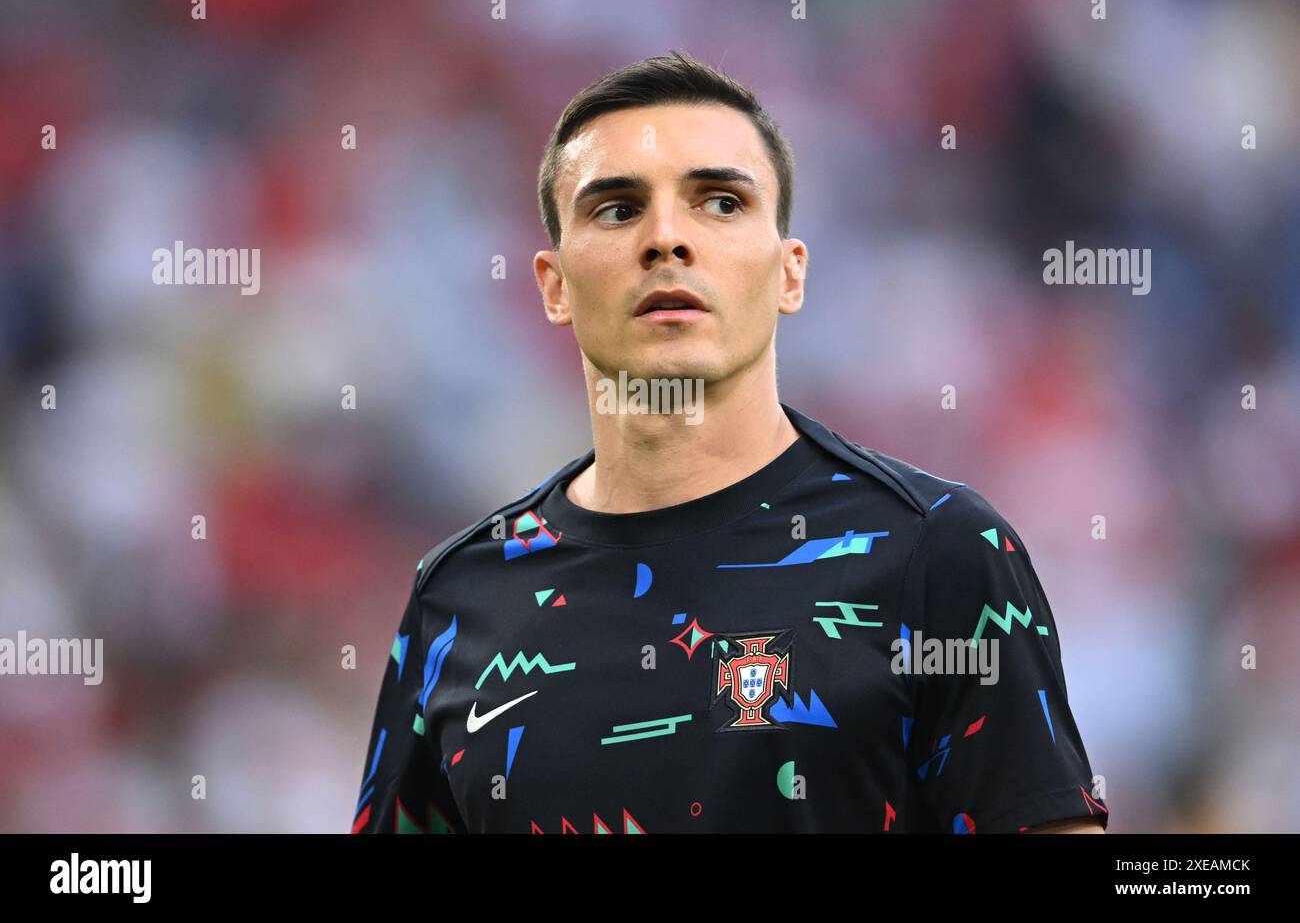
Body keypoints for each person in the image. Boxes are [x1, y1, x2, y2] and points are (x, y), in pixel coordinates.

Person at [352, 51, 1108, 834]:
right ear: (552, 284)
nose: (666, 239)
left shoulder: (937, 554)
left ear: (790, 273)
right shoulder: (458, 599)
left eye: (719, 202)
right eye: (617, 209)